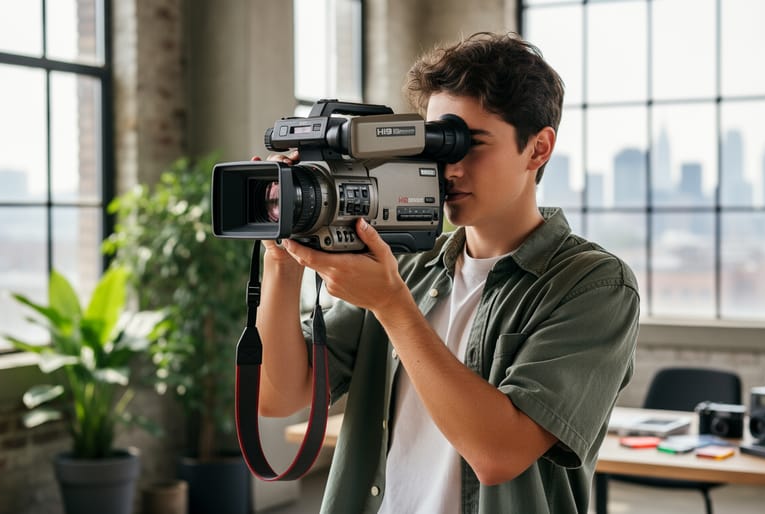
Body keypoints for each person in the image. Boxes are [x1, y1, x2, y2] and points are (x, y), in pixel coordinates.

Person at [254, 32, 639, 514]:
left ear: (538, 149)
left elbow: (499, 454)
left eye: (471, 144)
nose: (449, 168)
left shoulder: (594, 285)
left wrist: (393, 307)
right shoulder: (405, 264)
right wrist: (281, 258)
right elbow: (280, 395)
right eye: (436, 145)